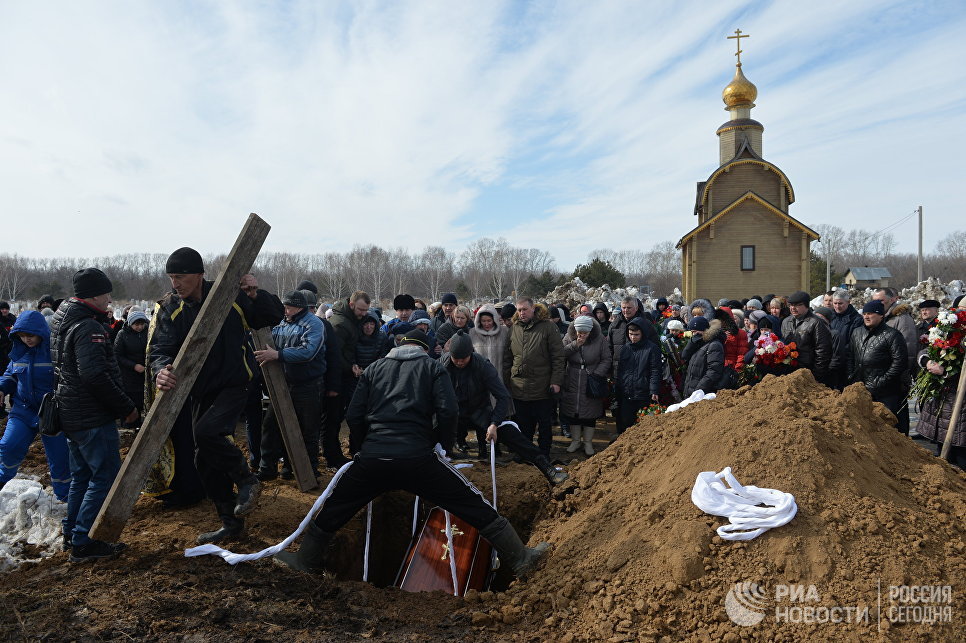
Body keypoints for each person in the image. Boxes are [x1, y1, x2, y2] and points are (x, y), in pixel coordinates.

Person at [274, 329, 552, 579]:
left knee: (336, 506)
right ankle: (520, 558)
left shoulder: (373, 369)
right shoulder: (432, 368)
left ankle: (305, 560)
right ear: (424, 349)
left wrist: (360, 449)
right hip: (418, 459)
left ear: (397, 346)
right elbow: (449, 410)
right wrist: (443, 444)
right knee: (472, 503)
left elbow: (354, 414)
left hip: (373, 460)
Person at [151, 249, 283, 544]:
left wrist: (254, 292)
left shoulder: (229, 297)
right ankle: (230, 523)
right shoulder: (170, 308)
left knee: (207, 432)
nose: (176, 284)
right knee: (204, 459)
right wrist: (160, 369)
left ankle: (248, 480)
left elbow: (272, 315)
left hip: (235, 383)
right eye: (172, 277)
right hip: (199, 390)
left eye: (181, 277)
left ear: (199, 275)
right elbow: (160, 350)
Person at [50, 269, 138, 561]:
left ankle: (72, 532)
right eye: (107, 293)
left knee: (82, 477)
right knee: (103, 477)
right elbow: (95, 376)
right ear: (94, 295)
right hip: (90, 415)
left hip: (71, 412)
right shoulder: (88, 327)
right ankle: (85, 541)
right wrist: (125, 406)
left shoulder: (64, 319)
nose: (110, 299)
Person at [442, 332, 567, 483]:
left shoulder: (483, 365)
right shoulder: (441, 365)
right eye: (456, 359)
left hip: (479, 410)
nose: (460, 362)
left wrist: (494, 423)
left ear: (471, 354)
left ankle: (547, 468)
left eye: (464, 359)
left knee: (511, 433)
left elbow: (503, 397)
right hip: (451, 412)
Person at [254, 290, 326, 482]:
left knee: (307, 430)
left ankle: (308, 470)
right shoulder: (281, 322)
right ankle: (267, 469)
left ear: (299, 307)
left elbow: (308, 352)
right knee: (271, 426)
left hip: (308, 385)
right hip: (283, 383)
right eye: (284, 306)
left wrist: (277, 355)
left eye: (288, 307)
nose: (285, 310)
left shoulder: (314, 324)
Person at [0, 311, 71, 502]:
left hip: (50, 412)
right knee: (9, 445)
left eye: (30, 335)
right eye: (22, 336)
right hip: (23, 410)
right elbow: (9, 375)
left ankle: (64, 497)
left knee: (59, 456)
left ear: (40, 332)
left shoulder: (54, 352)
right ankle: (2, 481)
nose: (26, 339)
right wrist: (1, 388)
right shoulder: (19, 352)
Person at [503, 298, 566, 457]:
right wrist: (507, 381)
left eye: (524, 309)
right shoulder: (514, 329)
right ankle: (526, 454)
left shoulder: (548, 327)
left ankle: (543, 455)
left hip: (542, 387)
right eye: (519, 310)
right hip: (519, 386)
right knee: (524, 425)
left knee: (544, 425)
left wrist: (556, 381)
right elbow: (507, 358)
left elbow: (558, 357)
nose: (521, 313)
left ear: (533, 308)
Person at [848, 300, 908, 430]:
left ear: (881, 315)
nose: (866, 316)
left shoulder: (892, 335)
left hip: (885, 392)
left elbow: (899, 362)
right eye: (864, 313)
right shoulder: (856, 332)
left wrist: (880, 381)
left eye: (870, 313)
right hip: (861, 389)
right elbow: (850, 356)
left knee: (886, 428)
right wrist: (851, 376)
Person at [872, 287, 918, 433]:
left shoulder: (902, 319)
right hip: (882, 376)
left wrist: (900, 373)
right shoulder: (882, 317)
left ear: (893, 299)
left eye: (881, 300)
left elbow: (909, 349)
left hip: (896, 378)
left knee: (898, 417)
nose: (878, 304)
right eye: (875, 301)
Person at [561, 315, 609, 455]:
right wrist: (576, 344)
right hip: (573, 377)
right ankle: (575, 440)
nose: (581, 335)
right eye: (579, 332)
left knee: (590, 412)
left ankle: (588, 442)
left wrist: (597, 373)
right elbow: (560, 354)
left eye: (585, 333)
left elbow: (606, 359)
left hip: (591, 378)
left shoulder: (599, 339)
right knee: (573, 411)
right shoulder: (569, 337)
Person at [916, 348, 966, 468]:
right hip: (943, 410)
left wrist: (947, 373)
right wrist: (928, 362)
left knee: (962, 459)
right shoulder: (951, 331)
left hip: (962, 413)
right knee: (944, 459)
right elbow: (925, 350)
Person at [614, 317, 662, 437]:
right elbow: (620, 370)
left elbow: (655, 370)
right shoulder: (625, 348)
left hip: (643, 393)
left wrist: (654, 390)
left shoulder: (652, 349)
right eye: (630, 334)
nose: (633, 337)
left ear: (643, 334)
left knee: (642, 426)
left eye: (636, 334)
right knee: (625, 424)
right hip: (626, 393)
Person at [780, 291, 832, 384]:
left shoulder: (816, 323)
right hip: (789, 371)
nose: (793, 308)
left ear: (806, 306)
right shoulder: (786, 322)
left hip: (809, 372)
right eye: (791, 305)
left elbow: (823, 352)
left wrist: (816, 377)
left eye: (797, 305)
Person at [329, 291, 370, 408]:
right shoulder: (340, 324)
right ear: (351, 305)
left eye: (366, 310)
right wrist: (350, 366)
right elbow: (334, 354)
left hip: (345, 372)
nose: (364, 313)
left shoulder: (352, 319)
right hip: (337, 377)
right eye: (361, 310)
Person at [113, 310, 149, 417]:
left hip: (145, 373)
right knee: (131, 404)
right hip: (128, 375)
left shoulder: (147, 332)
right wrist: (133, 366)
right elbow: (117, 355)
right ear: (130, 323)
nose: (139, 327)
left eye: (142, 324)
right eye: (136, 324)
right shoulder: (123, 334)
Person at [682, 317, 726, 397]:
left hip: (702, 393)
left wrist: (699, 391)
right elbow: (684, 356)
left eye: (696, 331)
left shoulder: (714, 344)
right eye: (692, 332)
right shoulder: (698, 343)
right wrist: (691, 343)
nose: (694, 334)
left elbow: (714, 371)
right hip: (692, 391)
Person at [830, 291, 863, 389]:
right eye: (835, 303)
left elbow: (854, 342)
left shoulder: (857, 320)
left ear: (848, 302)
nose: (837, 306)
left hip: (846, 363)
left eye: (840, 303)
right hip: (831, 362)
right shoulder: (831, 316)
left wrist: (839, 353)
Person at [608, 296, 645, 374]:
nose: (626, 310)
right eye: (624, 307)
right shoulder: (614, 325)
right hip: (618, 371)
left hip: (639, 371)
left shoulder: (645, 324)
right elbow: (609, 348)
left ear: (636, 308)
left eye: (629, 308)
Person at [469, 304, 508, 377]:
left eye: (489, 320)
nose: (486, 324)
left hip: (500, 377)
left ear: (494, 319)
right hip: (480, 379)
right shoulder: (472, 333)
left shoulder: (504, 332)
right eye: (483, 321)